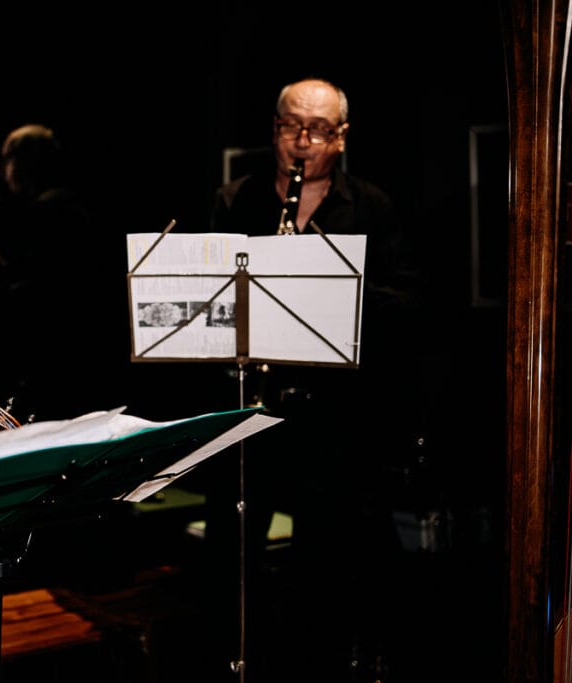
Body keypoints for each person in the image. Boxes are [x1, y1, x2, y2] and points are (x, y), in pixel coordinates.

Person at [200, 77, 427, 680]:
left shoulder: (372, 207)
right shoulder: (235, 199)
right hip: (251, 407)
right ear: (274, 129)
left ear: (342, 138)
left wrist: (328, 274)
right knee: (234, 545)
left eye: (320, 130)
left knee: (330, 558)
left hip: (337, 415)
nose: (304, 142)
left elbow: (407, 304)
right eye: (291, 126)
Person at [0, 123, 118, 424]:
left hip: (51, 354)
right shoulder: (60, 206)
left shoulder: (50, 211)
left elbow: (41, 292)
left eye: (8, 160)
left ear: (24, 163)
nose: (4, 171)